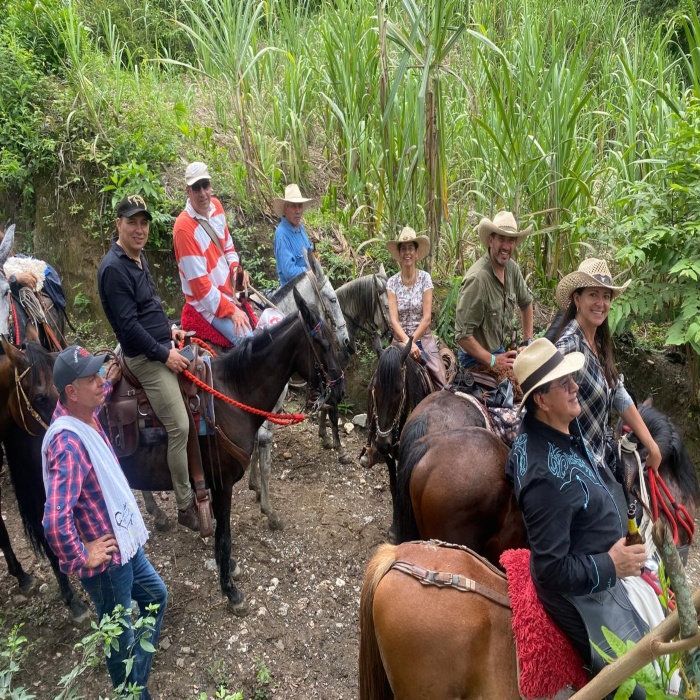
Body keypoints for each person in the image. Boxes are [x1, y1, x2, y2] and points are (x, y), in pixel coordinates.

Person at [507, 339, 662, 698]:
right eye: (564, 383)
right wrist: (611, 564)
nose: (576, 386)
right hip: (589, 592)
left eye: (571, 377)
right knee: (643, 690)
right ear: (542, 401)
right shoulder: (544, 478)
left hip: (614, 565)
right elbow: (549, 569)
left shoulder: (560, 428)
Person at [42, 345, 167, 700]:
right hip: (107, 561)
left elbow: (103, 385)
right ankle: (132, 693)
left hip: (123, 540)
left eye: (100, 375)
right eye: (92, 379)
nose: (100, 382)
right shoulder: (68, 445)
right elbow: (54, 520)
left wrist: (111, 375)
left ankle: (136, 681)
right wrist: (83, 555)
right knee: (120, 638)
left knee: (156, 596)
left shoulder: (84, 409)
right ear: (71, 392)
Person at [97, 194, 199, 530]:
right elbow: (128, 328)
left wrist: (171, 329)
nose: (139, 229)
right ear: (119, 225)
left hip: (159, 342)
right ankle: (185, 505)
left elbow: (150, 307)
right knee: (180, 426)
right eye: (132, 222)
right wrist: (164, 354)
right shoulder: (114, 269)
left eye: (143, 223)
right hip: (144, 357)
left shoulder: (138, 259)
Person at [553, 258, 662, 475]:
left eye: (606, 296)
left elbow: (618, 393)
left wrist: (651, 445)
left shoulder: (598, 343)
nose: (600, 303)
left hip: (600, 452)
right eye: (593, 294)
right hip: (576, 461)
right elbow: (547, 400)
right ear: (577, 298)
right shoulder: (569, 344)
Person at [173, 161, 252, 345]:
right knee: (250, 343)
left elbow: (228, 248)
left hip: (228, 292)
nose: (202, 193)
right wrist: (232, 311)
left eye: (205, 186)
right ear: (188, 191)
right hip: (207, 307)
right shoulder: (184, 229)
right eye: (196, 188)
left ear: (210, 185)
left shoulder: (217, 206)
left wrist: (235, 270)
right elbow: (202, 291)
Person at [455, 211, 534, 369]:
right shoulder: (477, 280)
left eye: (511, 241)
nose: (506, 246)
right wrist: (492, 360)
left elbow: (526, 303)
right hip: (474, 358)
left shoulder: (512, 269)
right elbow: (462, 335)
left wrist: (528, 343)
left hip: (498, 350)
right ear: (491, 241)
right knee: (501, 394)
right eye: (501, 239)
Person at [385, 227, 446, 389]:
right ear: (399, 254)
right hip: (400, 340)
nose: (407, 252)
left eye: (410, 248)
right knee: (382, 377)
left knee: (441, 380)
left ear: (416, 253)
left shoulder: (425, 279)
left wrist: (413, 342)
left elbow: (427, 318)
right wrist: (408, 343)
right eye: (403, 248)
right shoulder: (392, 283)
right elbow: (394, 320)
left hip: (423, 338)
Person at [273, 183, 316, 286]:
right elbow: (289, 272)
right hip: (293, 293)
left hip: (309, 286)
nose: (297, 211)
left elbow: (310, 254)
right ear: (285, 209)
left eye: (299, 206)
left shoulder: (300, 228)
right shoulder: (281, 234)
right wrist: (310, 270)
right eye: (293, 206)